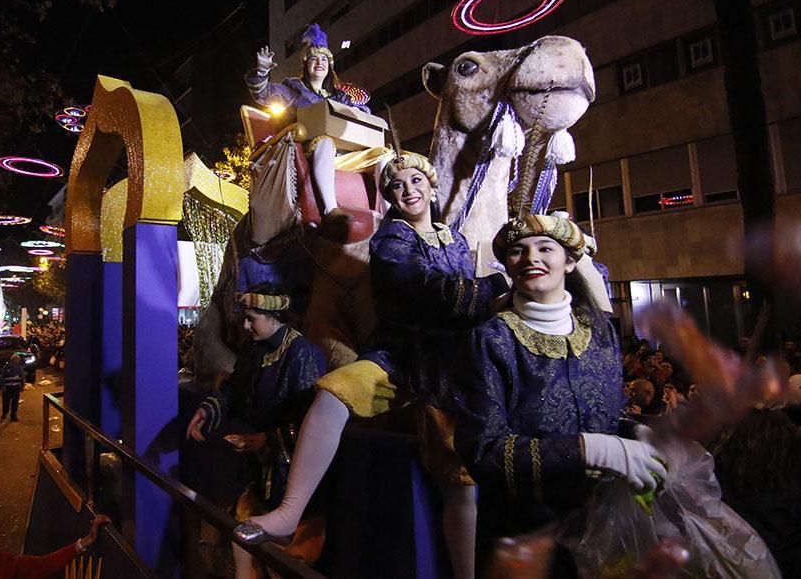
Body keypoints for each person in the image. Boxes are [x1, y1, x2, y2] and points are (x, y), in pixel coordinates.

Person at [235, 152, 508, 579]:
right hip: (399, 357)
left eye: (416, 180)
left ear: (432, 187)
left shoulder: (454, 240)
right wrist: (493, 285)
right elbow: (427, 291)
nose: (408, 190)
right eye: (397, 186)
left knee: (460, 483)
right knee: (333, 392)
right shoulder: (390, 241)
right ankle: (291, 510)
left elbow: (469, 309)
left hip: (451, 365)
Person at [454, 213, 667, 573]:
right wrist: (592, 449)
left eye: (544, 248)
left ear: (569, 261)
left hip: (602, 529)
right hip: (525, 536)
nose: (531, 258)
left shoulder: (600, 333)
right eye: (518, 251)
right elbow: (483, 451)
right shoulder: (490, 339)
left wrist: (636, 432)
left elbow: (603, 413)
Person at [186, 284, 327, 579]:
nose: (247, 326)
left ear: (275, 316)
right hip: (260, 472)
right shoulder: (254, 350)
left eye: (253, 318)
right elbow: (233, 392)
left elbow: (312, 423)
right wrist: (207, 410)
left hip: (293, 477)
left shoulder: (303, 355)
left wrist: (268, 439)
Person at [246, 24, 390, 231]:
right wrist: (261, 71)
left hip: (345, 155)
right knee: (325, 142)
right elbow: (263, 94)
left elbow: (361, 114)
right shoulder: (293, 89)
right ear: (305, 65)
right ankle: (331, 211)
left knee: (384, 155)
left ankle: (390, 216)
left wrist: (362, 112)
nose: (319, 62)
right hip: (313, 151)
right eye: (314, 58)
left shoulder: (340, 97)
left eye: (324, 59)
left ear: (330, 66)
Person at [0, 355, 24, 422]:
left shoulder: (19, 368)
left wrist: (22, 386)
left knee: (15, 403)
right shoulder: (6, 367)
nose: (17, 361)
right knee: (6, 402)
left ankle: (13, 415)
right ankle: (5, 413)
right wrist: (3, 386)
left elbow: (22, 377)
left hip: (16, 387)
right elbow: (2, 377)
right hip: (8, 388)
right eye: (16, 360)